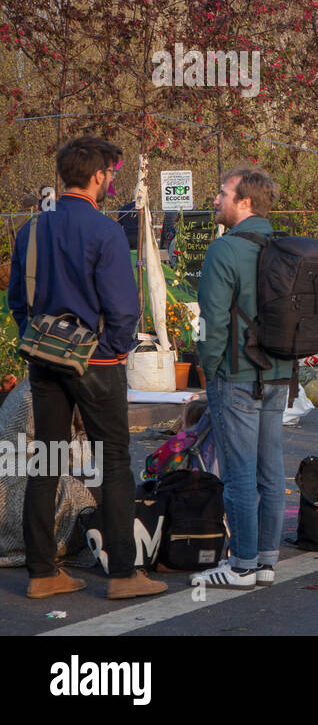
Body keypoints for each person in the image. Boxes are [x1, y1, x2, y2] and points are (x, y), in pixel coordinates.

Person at [9, 136, 165, 601]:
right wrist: (113, 352)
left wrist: (41, 340)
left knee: (48, 461)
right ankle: (123, 574)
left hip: (44, 358)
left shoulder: (32, 230)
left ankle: (42, 573)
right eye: (110, 174)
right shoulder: (106, 231)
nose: (111, 180)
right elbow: (122, 309)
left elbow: (19, 300)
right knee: (114, 461)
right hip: (96, 360)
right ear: (98, 177)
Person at [193, 166, 293, 589]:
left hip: (235, 374)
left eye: (223, 193)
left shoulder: (225, 250)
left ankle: (241, 566)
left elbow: (213, 322)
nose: (217, 200)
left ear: (245, 202)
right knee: (270, 471)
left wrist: (209, 369)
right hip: (280, 373)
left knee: (238, 473)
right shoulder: (284, 248)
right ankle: (266, 562)